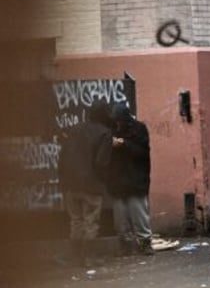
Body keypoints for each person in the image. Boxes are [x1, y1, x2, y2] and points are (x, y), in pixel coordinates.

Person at [58, 99, 114, 266]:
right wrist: (104, 180)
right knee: (90, 221)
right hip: (91, 184)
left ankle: (75, 257)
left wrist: (63, 180)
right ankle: (89, 257)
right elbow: (101, 162)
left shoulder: (74, 129)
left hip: (71, 183)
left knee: (76, 220)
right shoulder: (104, 133)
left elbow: (63, 156)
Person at [106, 102, 153, 256]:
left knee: (136, 213)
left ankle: (141, 242)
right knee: (123, 217)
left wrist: (124, 144)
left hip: (132, 178)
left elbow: (141, 152)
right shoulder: (136, 128)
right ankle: (132, 243)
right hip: (127, 178)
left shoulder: (136, 129)